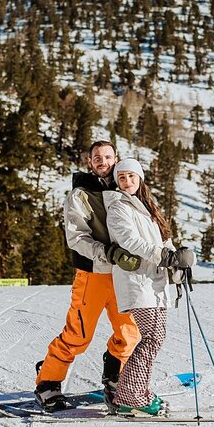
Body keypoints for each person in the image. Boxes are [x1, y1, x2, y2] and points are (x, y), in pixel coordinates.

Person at [34, 140, 143, 412]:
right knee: (78, 334)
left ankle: (115, 376)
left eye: (107, 156)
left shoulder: (127, 188)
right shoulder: (80, 195)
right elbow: (77, 237)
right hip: (93, 273)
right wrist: (108, 252)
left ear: (115, 158)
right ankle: (48, 382)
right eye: (97, 157)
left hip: (123, 275)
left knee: (130, 332)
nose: (103, 161)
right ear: (89, 162)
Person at [103, 158, 195, 416]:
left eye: (131, 176)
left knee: (155, 337)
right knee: (152, 338)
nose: (127, 181)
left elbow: (164, 240)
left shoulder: (147, 207)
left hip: (155, 281)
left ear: (140, 178)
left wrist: (178, 260)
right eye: (122, 178)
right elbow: (130, 241)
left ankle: (136, 391)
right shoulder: (118, 206)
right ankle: (130, 395)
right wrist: (163, 256)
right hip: (137, 281)